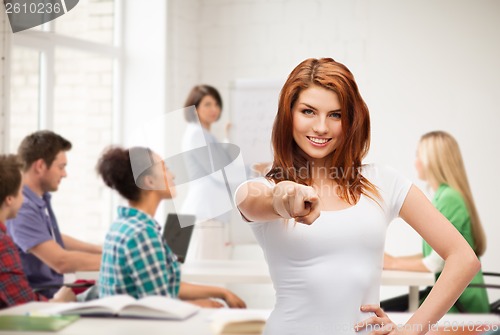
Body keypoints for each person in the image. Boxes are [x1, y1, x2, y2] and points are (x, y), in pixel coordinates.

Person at [234, 58, 480, 335]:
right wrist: (285, 197)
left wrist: (411, 330)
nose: (321, 127)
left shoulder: (382, 182)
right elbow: (258, 202)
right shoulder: (261, 187)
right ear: (288, 115)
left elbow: (463, 258)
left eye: (335, 115)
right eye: (308, 112)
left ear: (351, 120)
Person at [96, 146, 246, 308]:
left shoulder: (123, 224)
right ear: (150, 181)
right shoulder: (142, 234)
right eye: (165, 168)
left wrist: (221, 292)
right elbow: (161, 306)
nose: (173, 175)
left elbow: (167, 286)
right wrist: (208, 305)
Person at [383, 131, 489, 313]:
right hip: (450, 296)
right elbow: (435, 254)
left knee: (388, 316)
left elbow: (435, 263)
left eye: (419, 155)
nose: (415, 161)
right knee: (386, 311)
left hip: (460, 304)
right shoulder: (441, 196)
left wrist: (392, 264)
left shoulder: (450, 198)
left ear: (433, 160)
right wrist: (393, 260)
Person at [6, 130, 102, 299]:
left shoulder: (37, 199)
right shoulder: (24, 209)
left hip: (56, 289)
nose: (64, 174)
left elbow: (48, 237)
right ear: (41, 166)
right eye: (61, 167)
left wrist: (99, 249)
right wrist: (116, 261)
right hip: (46, 298)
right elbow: (61, 262)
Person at [0, 154, 75, 308]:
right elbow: (24, 305)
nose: (23, 198)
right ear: (9, 199)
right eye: (21, 192)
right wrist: (59, 301)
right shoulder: (3, 244)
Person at [181, 84, 235, 260]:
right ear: (194, 109)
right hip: (204, 215)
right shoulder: (197, 134)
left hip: (206, 214)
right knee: (207, 278)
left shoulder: (203, 134)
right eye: (207, 104)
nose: (214, 109)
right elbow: (222, 171)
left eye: (216, 104)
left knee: (208, 276)